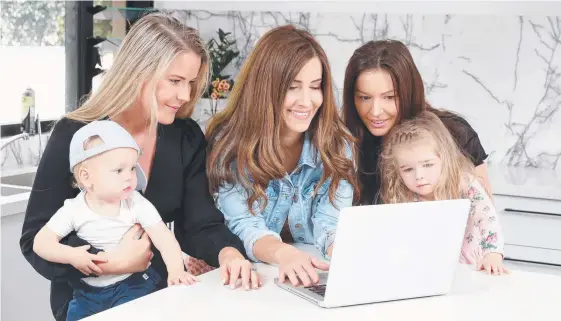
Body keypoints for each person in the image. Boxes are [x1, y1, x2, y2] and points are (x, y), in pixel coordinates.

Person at [20, 13, 258, 321]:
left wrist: (227, 251)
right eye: (174, 81)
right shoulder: (76, 134)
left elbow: (200, 223)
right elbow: (34, 238)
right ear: (139, 71)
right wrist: (111, 262)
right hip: (87, 303)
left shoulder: (184, 138)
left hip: (155, 293)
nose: (185, 95)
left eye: (190, 82)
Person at [206, 25, 358, 287]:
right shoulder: (231, 146)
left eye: (315, 86)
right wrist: (284, 254)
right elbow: (243, 225)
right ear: (266, 88)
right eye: (292, 87)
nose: (307, 101)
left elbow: (331, 222)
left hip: (310, 278)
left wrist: (347, 256)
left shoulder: (336, 146)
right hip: (247, 280)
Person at [33, 121, 199, 320]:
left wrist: (176, 271)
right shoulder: (73, 210)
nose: (129, 177)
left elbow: (165, 238)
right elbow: (40, 243)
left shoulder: (136, 203)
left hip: (133, 284)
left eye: (132, 168)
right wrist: (71, 256)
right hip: (86, 294)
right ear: (86, 177)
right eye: (119, 171)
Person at [342, 40, 492, 205]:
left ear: (409, 92)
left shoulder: (455, 133)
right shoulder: (349, 144)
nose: (375, 111)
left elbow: (484, 212)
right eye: (364, 97)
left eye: (390, 97)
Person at [379, 111, 508, 275]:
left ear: (443, 158)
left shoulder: (463, 184)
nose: (419, 176)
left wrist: (493, 253)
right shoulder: (403, 198)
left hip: (475, 266)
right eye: (408, 169)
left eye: (427, 165)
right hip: (432, 271)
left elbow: (486, 217)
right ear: (397, 170)